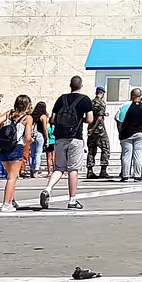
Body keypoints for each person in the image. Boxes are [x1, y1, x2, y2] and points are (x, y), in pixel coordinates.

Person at [46, 75, 92, 210]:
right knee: (73, 169)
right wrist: (80, 120)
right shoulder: (85, 100)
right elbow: (90, 119)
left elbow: (53, 119)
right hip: (75, 137)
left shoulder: (61, 99)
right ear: (81, 85)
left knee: (59, 168)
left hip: (60, 137)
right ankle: (72, 200)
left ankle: (48, 189)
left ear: (70, 85)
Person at [0, 94, 36, 212]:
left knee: (11, 176)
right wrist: (32, 140)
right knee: (12, 178)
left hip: (3, 147)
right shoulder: (27, 118)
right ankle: (6, 204)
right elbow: (27, 138)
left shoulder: (9, 114)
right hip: (16, 147)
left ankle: (11, 201)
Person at [118, 88, 142, 181]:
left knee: (126, 154)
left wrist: (120, 132)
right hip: (141, 134)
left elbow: (120, 120)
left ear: (132, 95)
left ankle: (125, 175)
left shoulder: (126, 106)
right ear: (141, 96)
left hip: (127, 133)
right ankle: (137, 175)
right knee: (138, 154)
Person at [87, 91, 113, 176]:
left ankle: (90, 171)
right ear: (102, 94)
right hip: (99, 130)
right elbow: (100, 118)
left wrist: (91, 129)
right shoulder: (101, 103)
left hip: (90, 129)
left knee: (91, 150)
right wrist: (94, 128)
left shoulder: (91, 102)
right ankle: (103, 170)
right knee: (105, 148)